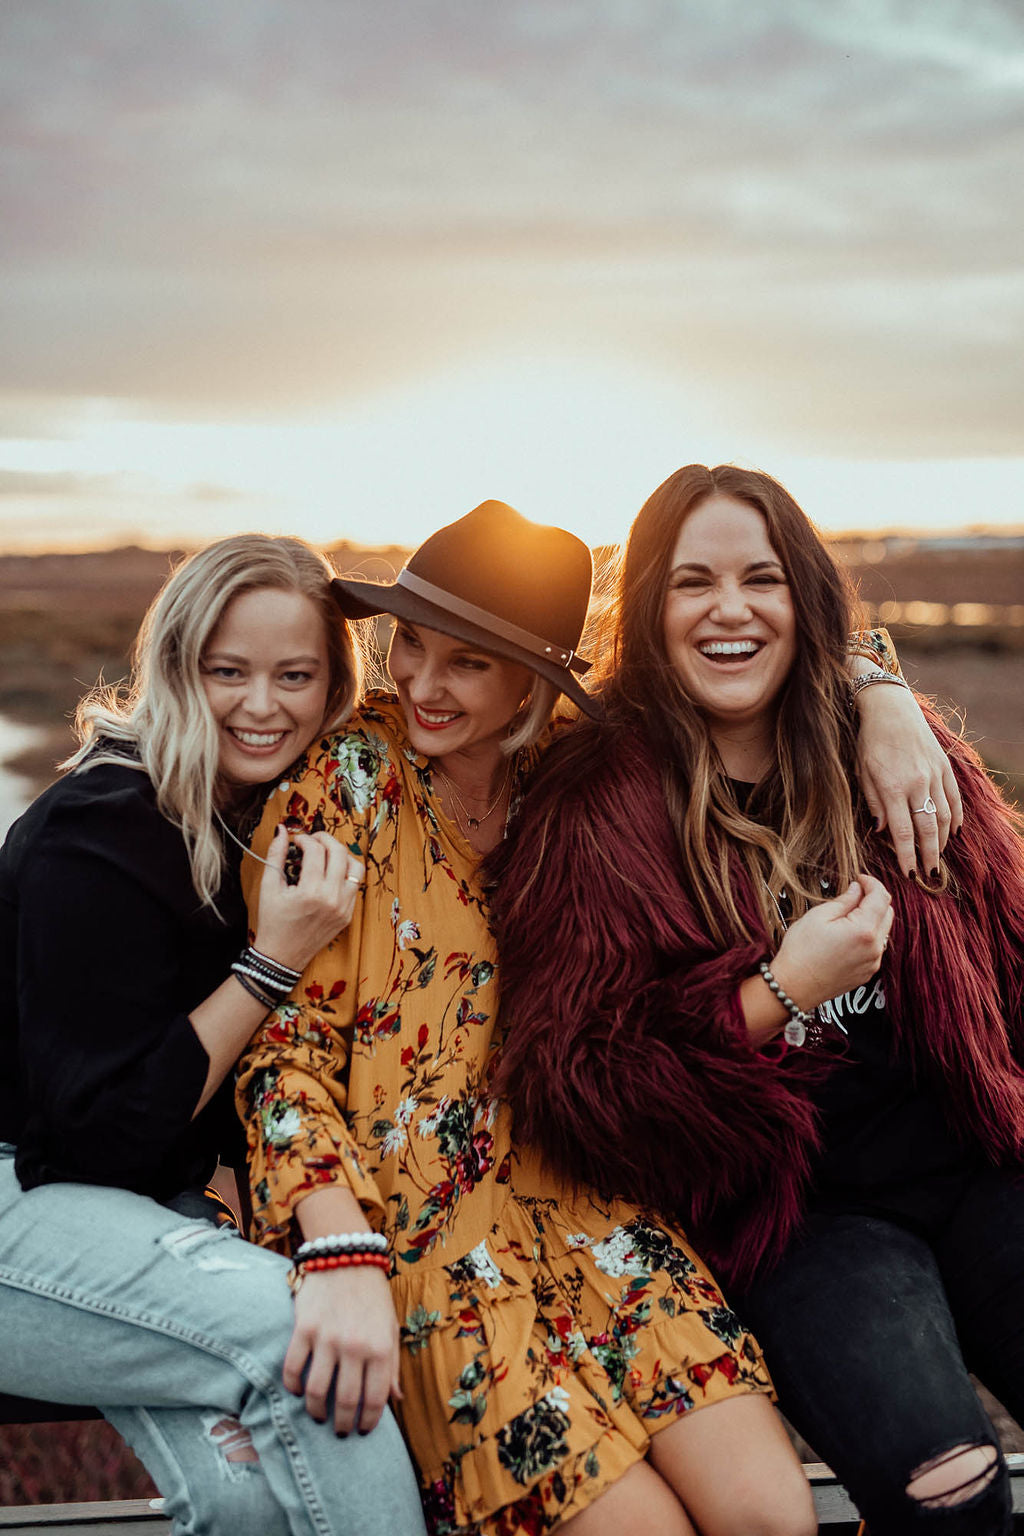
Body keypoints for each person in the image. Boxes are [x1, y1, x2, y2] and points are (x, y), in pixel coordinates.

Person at [235, 498, 950, 1536]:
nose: (422, 685)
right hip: (423, 1232)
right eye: (409, 647)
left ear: (533, 678)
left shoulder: (586, 775)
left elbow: (758, 650)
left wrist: (884, 697)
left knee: (771, 1514)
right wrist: (337, 1247)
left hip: (590, 1198)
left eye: (466, 665)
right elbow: (283, 1054)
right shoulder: (348, 782)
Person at [489, 465, 1024, 1536]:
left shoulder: (901, 758)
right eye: (692, 582)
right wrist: (781, 991)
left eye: (761, 579)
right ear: (650, 607)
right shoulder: (594, 804)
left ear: (804, 602)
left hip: (977, 1163)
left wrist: (878, 691)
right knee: (950, 1492)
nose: (728, 609)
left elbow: (1013, 959)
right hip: (797, 1216)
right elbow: (573, 1081)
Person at [0, 534, 426, 1536]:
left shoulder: (260, 809)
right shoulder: (99, 830)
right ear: (174, 668)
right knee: (304, 1328)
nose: (260, 705)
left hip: (132, 1213)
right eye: (225, 672)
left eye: (294, 676)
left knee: (246, 1498)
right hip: (27, 1197)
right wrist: (269, 962)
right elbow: (97, 1138)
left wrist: (872, 690)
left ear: (334, 689)